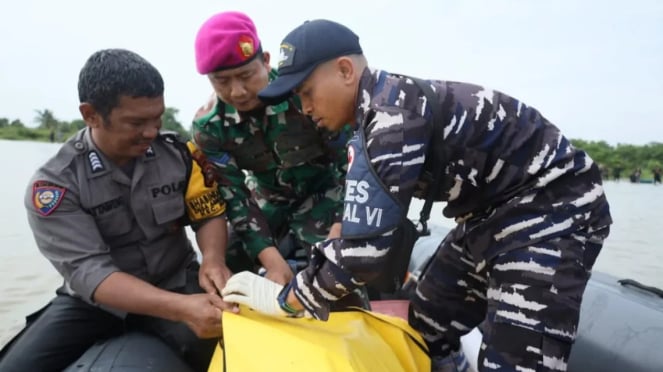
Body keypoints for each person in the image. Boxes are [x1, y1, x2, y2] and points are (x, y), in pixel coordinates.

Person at [221, 19, 613, 372]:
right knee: (425, 326)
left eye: (306, 92)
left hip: (551, 210)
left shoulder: (392, 118)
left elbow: (363, 255)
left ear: (344, 70)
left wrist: (288, 299)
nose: (304, 108)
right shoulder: (374, 112)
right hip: (487, 216)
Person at [0, 49, 234, 372]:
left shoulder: (177, 153)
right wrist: (180, 309)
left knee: (233, 354)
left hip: (176, 282)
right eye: (137, 123)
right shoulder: (55, 186)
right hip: (95, 304)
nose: (151, 133)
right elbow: (91, 273)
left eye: (158, 118)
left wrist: (213, 258)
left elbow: (207, 212)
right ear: (91, 115)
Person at [191, 11, 350, 285]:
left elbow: (350, 165)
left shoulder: (304, 95)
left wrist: (340, 225)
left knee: (334, 265)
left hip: (326, 192)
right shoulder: (209, 126)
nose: (237, 91)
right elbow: (236, 198)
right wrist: (272, 262)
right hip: (268, 199)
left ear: (265, 62)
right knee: (228, 256)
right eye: (222, 81)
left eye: (245, 75)